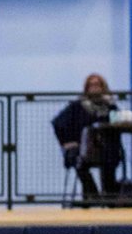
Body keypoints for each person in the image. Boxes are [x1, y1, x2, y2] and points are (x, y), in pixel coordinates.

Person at [52, 73, 122, 202]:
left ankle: (110, 199)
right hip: (80, 146)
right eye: (91, 85)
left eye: (97, 85)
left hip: (104, 147)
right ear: (86, 88)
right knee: (78, 160)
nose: (95, 88)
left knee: (111, 158)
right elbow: (57, 123)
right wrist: (66, 142)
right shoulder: (77, 105)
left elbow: (117, 124)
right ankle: (93, 195)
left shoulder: (110, 106)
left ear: (103, 87)